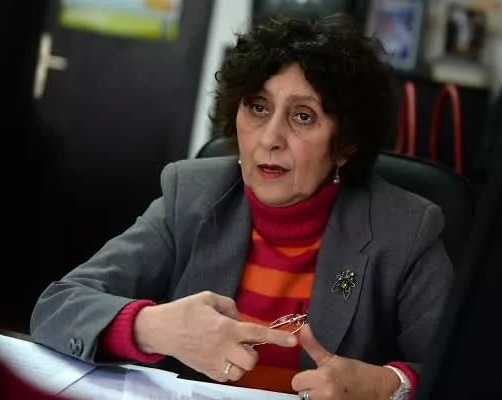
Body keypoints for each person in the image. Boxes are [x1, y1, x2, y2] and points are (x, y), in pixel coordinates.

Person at [30, 14, 454, 400]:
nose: (269, 138)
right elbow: (59, 307)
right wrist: (155, 328)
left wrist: (388, 386)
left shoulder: (405, 229)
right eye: (258, 107)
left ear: (346, 144)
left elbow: (467, 372)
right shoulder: (191, 196)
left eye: (303, 116)